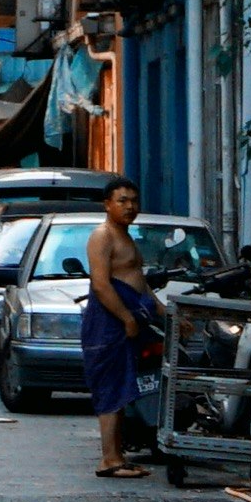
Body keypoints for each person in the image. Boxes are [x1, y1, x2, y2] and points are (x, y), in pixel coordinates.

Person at [82, 206, 157, 480]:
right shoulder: (102, 236)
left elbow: (139, 281)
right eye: (122, 200)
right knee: (110, 386)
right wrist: (126, 317)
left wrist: (162, 311)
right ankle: (108, 460)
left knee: (122, 386)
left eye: (135, 201)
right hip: (108, 323)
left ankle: (118, 455)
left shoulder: (127, 237)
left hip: (128, 319)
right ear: (107, 204)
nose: (130, 206)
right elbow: (101, 284)